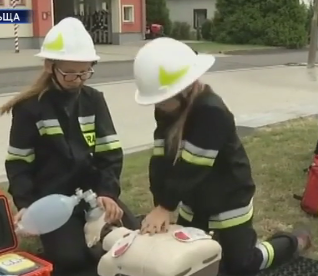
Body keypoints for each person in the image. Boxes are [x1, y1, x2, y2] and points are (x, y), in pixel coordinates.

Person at [133, 37, 312, 275]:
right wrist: (159, 204)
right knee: (194, 260)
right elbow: (160, 160)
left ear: (184, 89)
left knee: (241, 265)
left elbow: (193, 166)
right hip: (195, 200)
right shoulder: (168, 107)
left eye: (162, 100)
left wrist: (165, 207)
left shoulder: (211, 112)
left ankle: (293, 242)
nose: (159, 106)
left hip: (228, 198)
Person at [0, 17, 131, 272]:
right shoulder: (29, 108)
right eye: (70, 73)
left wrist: (108, 193)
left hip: (94, 195)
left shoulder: (94, 100)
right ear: (50, 66)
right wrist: (26, 204)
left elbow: (110, 153)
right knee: (72, 260)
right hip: (53, 204)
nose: (78, 79)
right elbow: (18, 163)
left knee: (129, 239)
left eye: (85, 72)